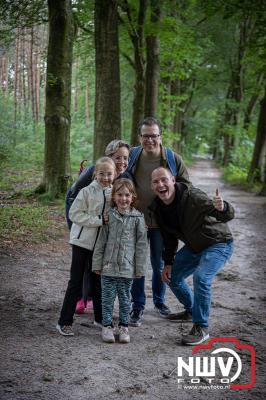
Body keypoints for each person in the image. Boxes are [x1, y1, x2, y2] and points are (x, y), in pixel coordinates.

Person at [150, 167, 234, 345]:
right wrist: (169, 263)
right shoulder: (158, 207)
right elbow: (169, 238)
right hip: (195, 247)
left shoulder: (192, 196)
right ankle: (192, 309)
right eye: (156, 182)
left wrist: (223, 206)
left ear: (173, 180)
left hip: (218, 243)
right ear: (152, 186)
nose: (160, 184)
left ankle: (201, 327)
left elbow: (224, 215)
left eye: (164, 179)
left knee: (201, 278)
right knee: (171, 276)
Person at [126, 117, 190, 326]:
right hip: (136, 220)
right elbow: (116, 172)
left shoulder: (172, 158)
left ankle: (160, 303)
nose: (150, 140)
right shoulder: (132, 155)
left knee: (159, 264)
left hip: (162, 224)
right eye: (146, 136)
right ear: (140, 137)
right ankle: (137, 306)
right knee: (137, 265)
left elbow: (186, 187)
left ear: (160, 137)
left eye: (154, 135)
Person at [65, 140, 131, 315]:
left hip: (101, 233)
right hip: (83, 224)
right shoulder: (95, 172)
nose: (122, 161)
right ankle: (80, 298)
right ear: (109, 157)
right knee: (81, 268)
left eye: (125, 158)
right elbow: (72, 196)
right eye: (118, 157)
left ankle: (94, 302)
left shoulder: (123, 178)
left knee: (96, 270)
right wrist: (77, 228)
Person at [56, 157, 117, 336]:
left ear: (114, 175)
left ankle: (100, 318)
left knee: (98, 281)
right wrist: (98, 221)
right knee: (75, 281)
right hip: (82, 242)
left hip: (100, 245)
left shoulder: (114, 192)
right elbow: (74, 214)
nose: (105, 177)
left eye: (109, 174)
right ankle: (64, 321)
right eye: (101, 173)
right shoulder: (86, 192)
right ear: (94, 174)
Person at [92, 179, 148, 343]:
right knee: (107, 299)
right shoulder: (109, 216)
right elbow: (101, 241)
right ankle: (107, 326)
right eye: (120, 195)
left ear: (133, 197)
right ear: (114, 197)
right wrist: (97, 263)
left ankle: (124, 327)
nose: (123, 198)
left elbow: (142, 246)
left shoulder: (138, 218)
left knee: (125, 299)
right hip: (108, 267)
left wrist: (139, 269)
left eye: (127, 195)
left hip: (127, 268)